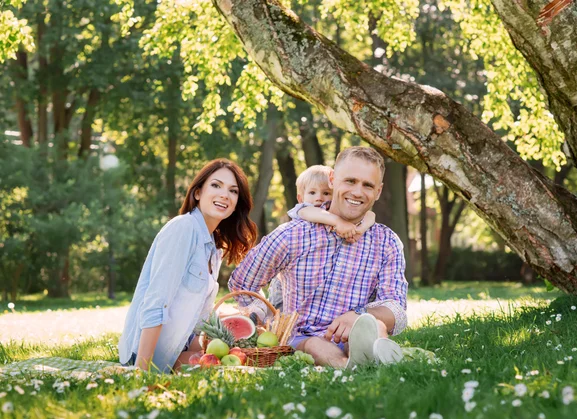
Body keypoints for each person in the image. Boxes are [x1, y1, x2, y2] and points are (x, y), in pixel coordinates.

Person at [229, 147, 407, 368]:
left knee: (376, 326)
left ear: (378, 191)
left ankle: (372, 353)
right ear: (332, 179)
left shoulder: (386, 241)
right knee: (315, 344)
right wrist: (262, 317)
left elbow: (396, 309)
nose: (358, 192)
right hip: (305, 338)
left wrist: (359, 315)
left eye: (367, 185)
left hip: (358, 331)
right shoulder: (293, 234)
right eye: (350, 181)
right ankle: (348, 366)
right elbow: (242, 282)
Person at [118, 159, 257, 372]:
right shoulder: (183, 228)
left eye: (233, 191)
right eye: (216, 185)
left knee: (245, 364)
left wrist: (239, 323)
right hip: (148, 354)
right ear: (198, 192)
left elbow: (198, 320)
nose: (224, 195)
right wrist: (141, 371)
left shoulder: (213, 248)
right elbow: (156, 302)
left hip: (176, 350)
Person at [267, 165, 376, 310]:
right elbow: (312, 213)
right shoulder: (304, 210)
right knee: (278, 310)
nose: (319, 198)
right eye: (312, 192)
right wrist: (338, 222)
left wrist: (360, 229)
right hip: (288, 283)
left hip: (319, 282)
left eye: (326, 193)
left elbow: (370, 215)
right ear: (301, 198)